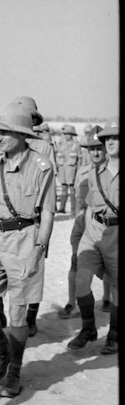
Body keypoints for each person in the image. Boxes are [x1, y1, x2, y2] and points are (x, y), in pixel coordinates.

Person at [0, 102, 55, 398]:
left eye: (4, 132)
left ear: (21, 135)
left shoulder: (41, 166)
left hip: (24, 240)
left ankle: (14, 370)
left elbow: (47, 213)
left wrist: (39, 248)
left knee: (18, 316)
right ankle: (2, 350)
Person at [67, 119, 119, 355]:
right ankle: (88, 329)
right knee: (81, 280)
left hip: (116, 235)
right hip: (94, 232)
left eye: (115, 138)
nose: (110, 143)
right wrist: (84, 238)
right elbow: (88, 207)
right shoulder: (94, 172)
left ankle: (114, 334)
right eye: (107, 139)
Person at [58, 126, 108, 318]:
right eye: (90, 148)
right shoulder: (82, 171)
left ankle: (106, 298)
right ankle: (72, 302)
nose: (94, 152)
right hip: (82, 221)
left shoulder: (112, 171)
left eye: (98, 147)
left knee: (108, 265)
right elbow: (79, 198)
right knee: (75, 263)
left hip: (104, 224)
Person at [56, 124, 81, 213]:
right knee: (63, 189)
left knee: (72, 190)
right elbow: (57, 158)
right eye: (65, 134)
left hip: (72, 171)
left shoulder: (76, 146)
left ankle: (73, 209)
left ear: (72, 135)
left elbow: (79, 160)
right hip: (63, 170)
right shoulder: (60, 145)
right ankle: (62, 208)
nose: (67, 136)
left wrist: (78, 172)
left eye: (69, 134)